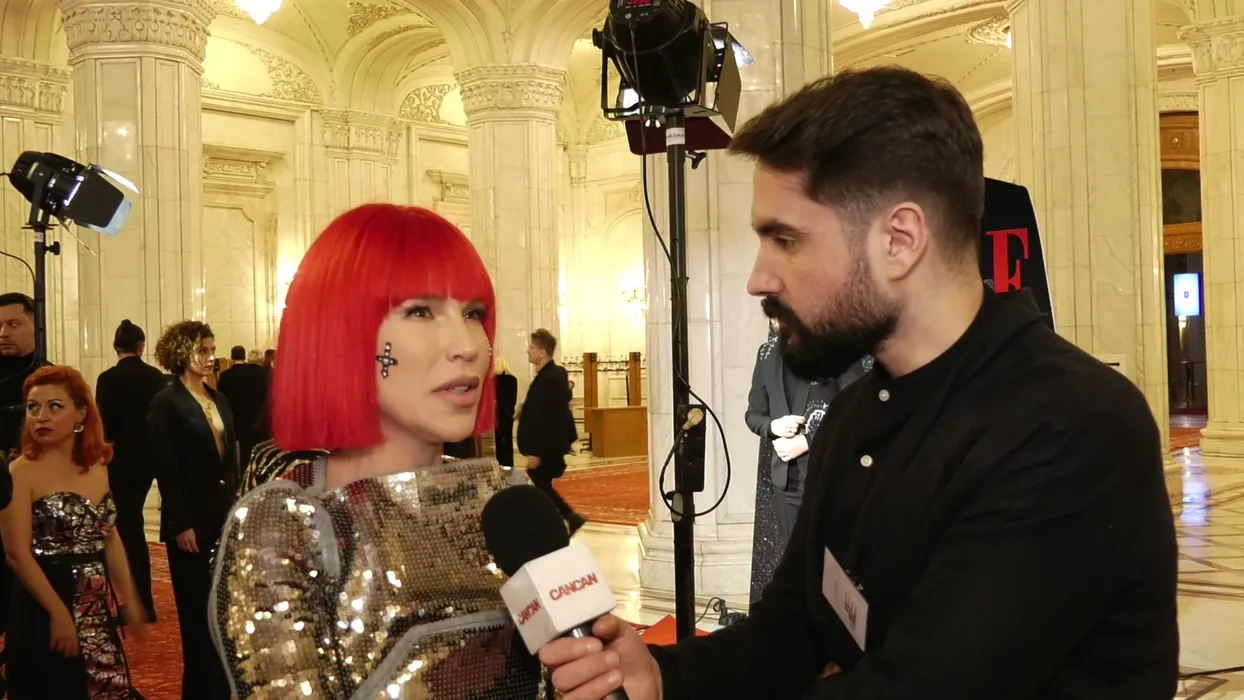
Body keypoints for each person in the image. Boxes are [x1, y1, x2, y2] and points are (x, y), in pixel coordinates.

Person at [538, 67, 1178, 700]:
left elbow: (922, 688)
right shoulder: (855, 414)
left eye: (787, 240)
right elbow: (794, 627)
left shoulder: (1069, 426)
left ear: (900, 240)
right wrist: (664, 678)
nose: (759, 279)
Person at [209, 204, 548, 698]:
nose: (468, 346)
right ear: (340, 334)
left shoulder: (511, 501)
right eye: (420, 311)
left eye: (473, 313)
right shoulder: (290, 524)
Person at [1, 365, 148, 698]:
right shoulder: (19, 472)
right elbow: (16, 554)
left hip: (94, 602)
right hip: (42, 600)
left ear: (81, 414)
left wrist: (130, 597)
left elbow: (108, 535)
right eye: (33, 407)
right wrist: (58, 613)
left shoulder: (97, 465)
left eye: (55, 406)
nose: (41, 417)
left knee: (104, 688)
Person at [148, 320, 237, 700]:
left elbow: (231, 459)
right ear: (182, 353)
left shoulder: (219, 400)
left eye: (212, 349)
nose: (210, 357)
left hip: (223, 516)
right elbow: (165, 468)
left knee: (223, 613)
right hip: (190, 522)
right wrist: (180, 524)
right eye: (202, 350)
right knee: (196, 616)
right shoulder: (167, 402)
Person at [746, 319, 866, 546]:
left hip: (831, 480)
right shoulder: (766, 354)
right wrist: (772, 426)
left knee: (831, 562)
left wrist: (807, 441)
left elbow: (859, 411)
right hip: (786, 485)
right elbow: (754, 414)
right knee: (795, 562)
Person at [95, 319, 167, 622]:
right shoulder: (156, 378)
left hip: (120, 463)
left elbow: (102, 423)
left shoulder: (108, 379)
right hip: (151, 460)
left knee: (129, 530)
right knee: (133, 526)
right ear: (141, 346)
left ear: (115, 347)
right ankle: (141, 601)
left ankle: (140, 603)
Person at [517, 328, 585, 534]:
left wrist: (536, 452)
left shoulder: (550, 378)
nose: (528, 351)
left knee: (540, 485)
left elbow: (549, 418)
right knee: (540, 485)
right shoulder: (549, 375)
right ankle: (559, 521)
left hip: (545, 447)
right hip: (546, 445)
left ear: (542, 352)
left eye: (532, 348)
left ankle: (566, 518)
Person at [216, 347, 270, 468]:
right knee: (248, 451)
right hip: (250, 416)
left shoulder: (224, 375)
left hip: (231, 417)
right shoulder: (251, 374)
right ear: (244, 356)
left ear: (231, 357)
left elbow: (220, 398)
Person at [494, 357, 519, 467]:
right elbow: (514, 399)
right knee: (508, 437)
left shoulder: (494, 381)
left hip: (498, 411)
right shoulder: (513, 379)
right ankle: (510, 462)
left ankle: (501, 462)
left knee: (499, 438)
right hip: (509, 411)